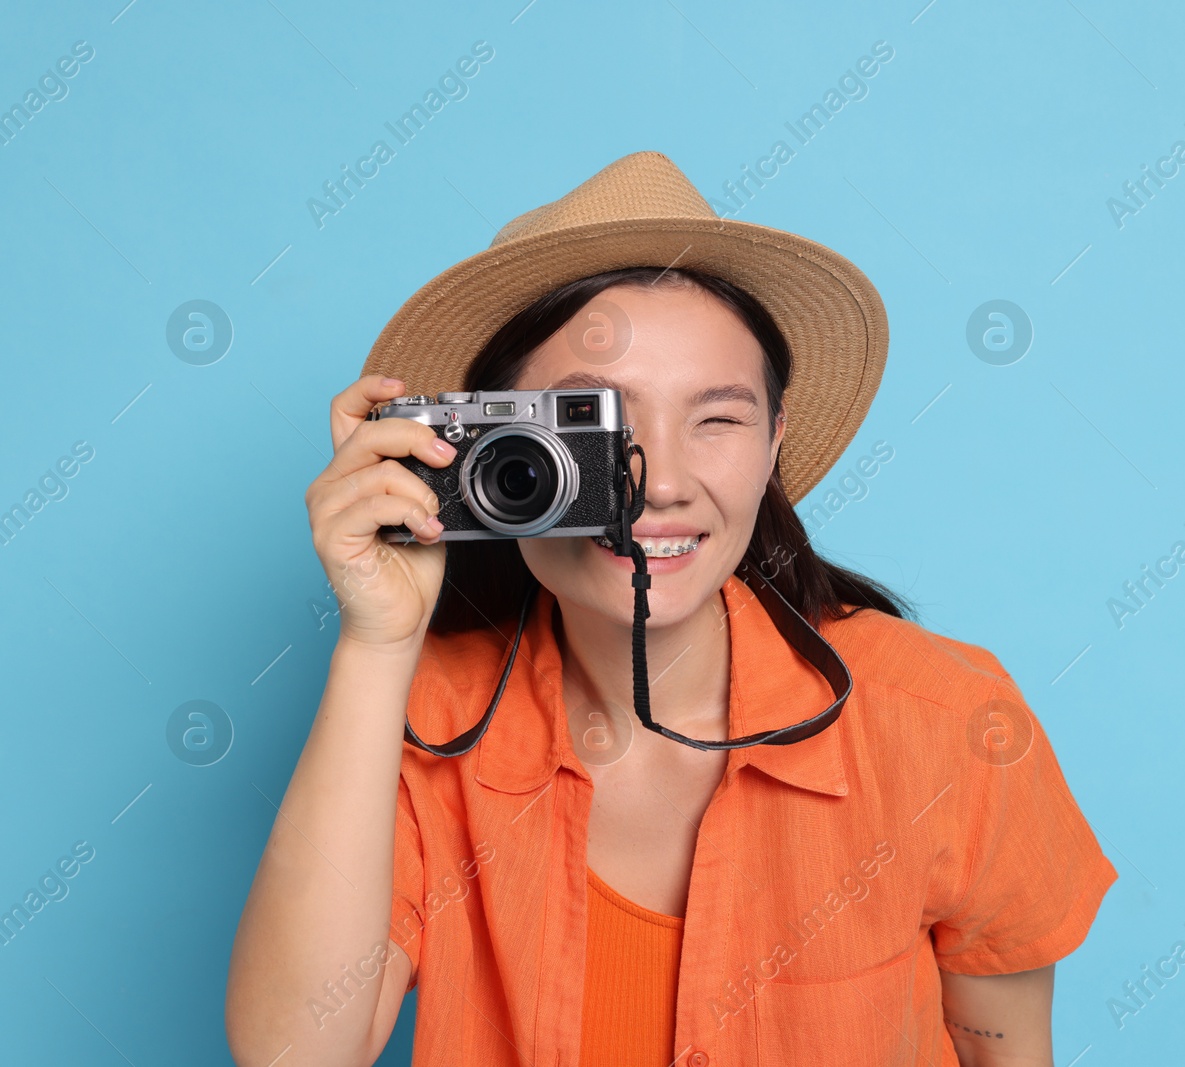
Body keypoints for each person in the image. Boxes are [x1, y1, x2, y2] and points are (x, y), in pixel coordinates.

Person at [225, 152, 1116, 1067]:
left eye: (717, 418)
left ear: (775, 443)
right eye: (594, 426)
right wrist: (378, 642)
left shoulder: (946, 723)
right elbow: (293, 1055)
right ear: (497, 456)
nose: (657, 486)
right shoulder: (427, 722)